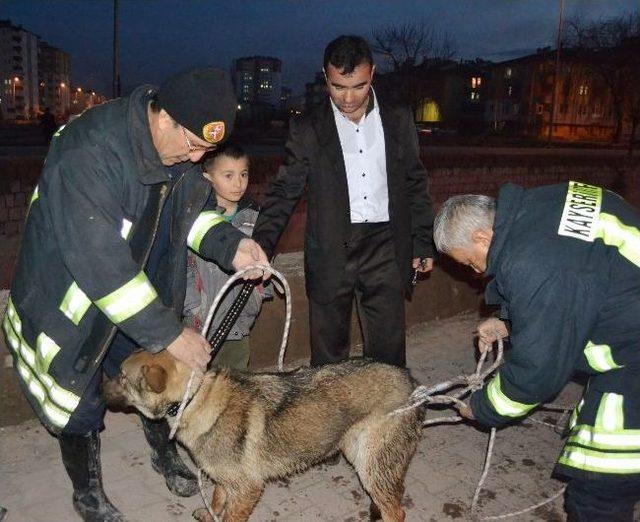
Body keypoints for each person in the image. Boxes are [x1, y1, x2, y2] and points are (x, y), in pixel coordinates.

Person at [3, 67, 269, 521]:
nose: (195, 158)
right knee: (80, 401)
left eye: (206, 151)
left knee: (152, 378)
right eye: (192, 145)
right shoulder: (87, 152)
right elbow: (101, 265)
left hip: (138, 301)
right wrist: (170, 332)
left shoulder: (180, 154)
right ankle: (88, 494)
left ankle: (163, 454)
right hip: (75, 307)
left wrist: (233, 245)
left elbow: (196, 216)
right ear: (162, 119)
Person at [433, 182, 640, 521]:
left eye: (470, 262)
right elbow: (578, 285)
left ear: (483, 238)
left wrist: (482, 407)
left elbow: (537, 372)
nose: (475, 273)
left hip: (633, 360)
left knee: (599, 491)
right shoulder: (546, 203)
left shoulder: (536, 263)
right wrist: (508, 322)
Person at [253, 35, 434, 368]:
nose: (349, 98)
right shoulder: (307, 126)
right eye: (338, 87)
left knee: (388, 354)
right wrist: (259, 246)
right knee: (329, 357)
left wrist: (422, 241)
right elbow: (284, 190)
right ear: (325, 77)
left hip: (386, 245)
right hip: (331, 247)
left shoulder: (397, 116)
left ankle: (387, 418)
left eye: (359, 86)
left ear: (373, 75)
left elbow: (414, 180)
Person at [183, 144, 269, 370]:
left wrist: (262, 289)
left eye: (244, 174)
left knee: (235, 389)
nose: (238, 183)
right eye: (228, 175)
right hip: (199, 325)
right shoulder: (195, 220)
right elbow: (185, 268)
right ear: (207, 177)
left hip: (239, 323)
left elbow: (264, 259)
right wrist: (192, 308)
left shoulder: (254, 218)